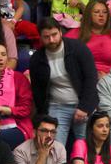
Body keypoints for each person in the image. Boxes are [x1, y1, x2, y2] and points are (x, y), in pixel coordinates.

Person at [28, 17, 99, 145]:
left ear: (60, 32)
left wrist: (84, 107)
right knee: (54, 147)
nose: (51, 40)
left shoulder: (78, 48)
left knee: (85, 147)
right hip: (57, 106)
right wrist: (43, 116)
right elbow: (38, 92)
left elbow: (91, 78)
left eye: (54, 35)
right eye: (46, 37)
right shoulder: (36, 59)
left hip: (82, 104)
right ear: (40, 38)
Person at [71, 0, 111, 77]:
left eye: (105, 12)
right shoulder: (74, 34)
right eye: (96, 12)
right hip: (82, 78)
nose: (101, 15)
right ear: (88, 15)